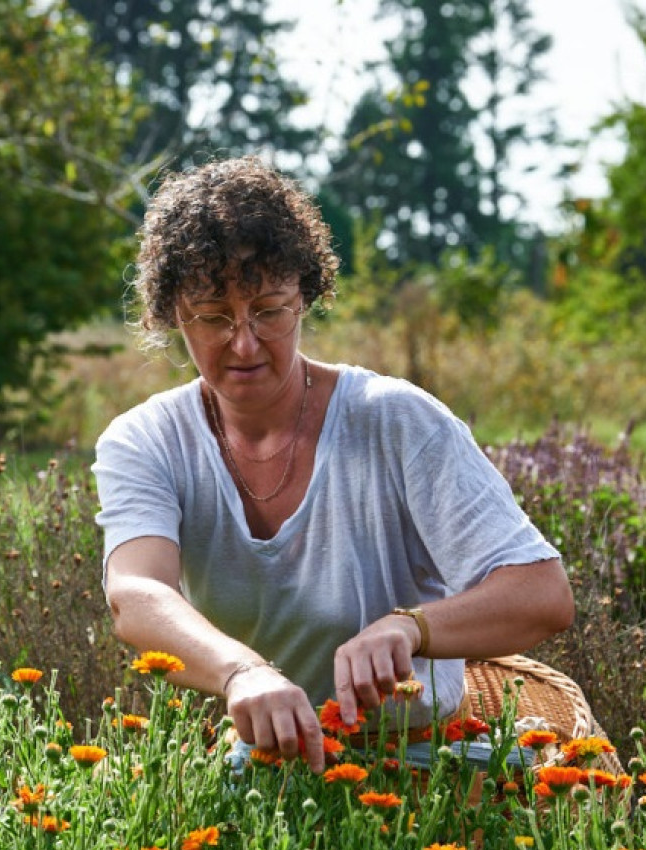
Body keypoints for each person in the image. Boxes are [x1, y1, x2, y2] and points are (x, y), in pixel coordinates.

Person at [92, 156, 574, 775]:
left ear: (305, 299)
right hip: (267, 758)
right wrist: (242, 672)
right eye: (212, 317)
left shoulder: (396, 420)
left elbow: (543, 593)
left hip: (424, 758)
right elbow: (136, 591)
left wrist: (410, 628)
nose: (244, 342)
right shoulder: (146, 440)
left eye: (269, 310)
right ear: (171, 317)